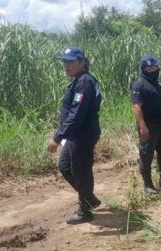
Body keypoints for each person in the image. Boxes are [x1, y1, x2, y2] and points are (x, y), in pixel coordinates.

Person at [47, 47, 102, 224]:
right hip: (74, 134)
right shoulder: (79, 80)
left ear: (82, 62)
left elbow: (76, 114)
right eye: (64, 61)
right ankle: (90, 198)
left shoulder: (84, 82)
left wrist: (57, 137)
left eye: (70, 62)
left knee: (81, 172)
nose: (66, 65)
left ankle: (85, 210)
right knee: (65, 166)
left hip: (82, 134)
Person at [131, 55, 161, 194]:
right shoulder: (140, 84)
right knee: (147, 155)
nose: (158, 69)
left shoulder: (154, 83)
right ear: (148, 68)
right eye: (156, 67)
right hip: (149, 126)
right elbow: (136, 107)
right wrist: (142, 126)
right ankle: (148, 185)